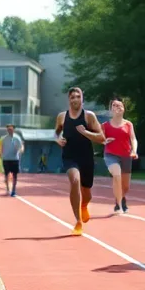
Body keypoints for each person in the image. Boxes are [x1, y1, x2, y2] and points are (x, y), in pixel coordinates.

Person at [55, 87, 106, 235]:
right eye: (72, 97)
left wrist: (85, 132)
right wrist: (58, 139)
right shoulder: (62, 117)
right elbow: (56, 133)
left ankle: (84, 205)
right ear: (69, 100)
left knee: (87, 192)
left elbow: (101, 138)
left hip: (86, 157)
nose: (75, 99)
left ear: (82, 99)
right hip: (69, 156)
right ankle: (77, 221)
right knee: (75, 181)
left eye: (78, 97)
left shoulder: (89, 116)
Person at [102, 97, 138, 213]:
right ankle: (118, 205)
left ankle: (121, 198)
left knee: (125, 186)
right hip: (110, 155)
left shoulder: (128, 124)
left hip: (126, 155)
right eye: (115, 105)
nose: (118, 107)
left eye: (120, 105)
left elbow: (133, 139)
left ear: (123, 109)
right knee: (117, 175)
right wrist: (103, 141)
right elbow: (99, 137)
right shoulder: (105, 125)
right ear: (110, 109)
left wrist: (134, 150)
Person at [0, 124, 24, 196]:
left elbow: (21, 146)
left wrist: (20, 150)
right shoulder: (4, 139)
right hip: (6, 159)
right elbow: (2, 148)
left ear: (14, 129)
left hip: (14, 159)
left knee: (14, 175)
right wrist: (2, 155)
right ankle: (8, 189)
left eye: (11, 129)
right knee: (6, 175)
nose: (9, 130)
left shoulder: (17, 138)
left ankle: (13, 190)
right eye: (8, 129)